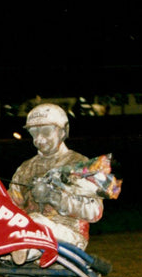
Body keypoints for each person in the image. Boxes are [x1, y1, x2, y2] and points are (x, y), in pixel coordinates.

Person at [7, 103, 104, 263]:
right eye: (34, 132)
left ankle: (24, 251)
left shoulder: (80, 164)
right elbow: (11, 205)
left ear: (63, 131)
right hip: (31, 230)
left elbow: (94, 212)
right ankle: (21, 249)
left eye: (46, 131)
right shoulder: (26, 168)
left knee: (36, 220)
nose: (39, 139)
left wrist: (54, 197)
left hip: (70, 236)